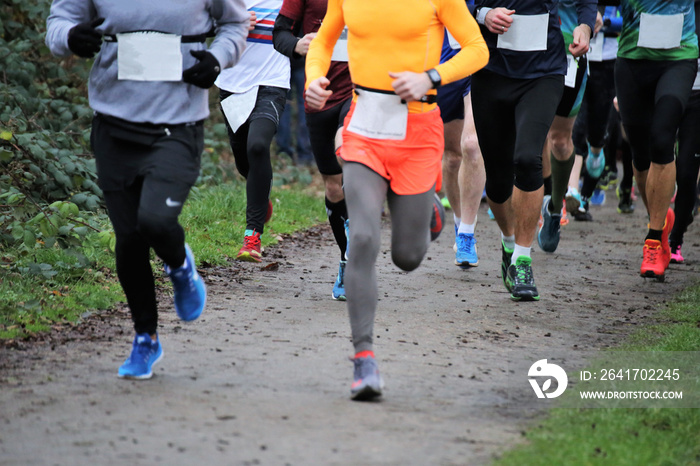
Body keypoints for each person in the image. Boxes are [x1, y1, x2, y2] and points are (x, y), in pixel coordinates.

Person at [46, 0, 248, 379]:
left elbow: (235, 25)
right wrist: (71, 36)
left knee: (155, 220)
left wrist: (218, 59)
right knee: (130, 238)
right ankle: (145, 338)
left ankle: (181, 266)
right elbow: (60, 22)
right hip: (114, 124)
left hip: (177, 123)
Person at [305, 0, 488, 400]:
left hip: (417, 131)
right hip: (364, 126)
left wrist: (432, 76)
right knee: (365, 238)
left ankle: (427, 210)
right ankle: (363, 358)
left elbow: (477, 47)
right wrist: (314, 78)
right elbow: (322, 43)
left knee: (407, 257)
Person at [471, 0, 595, 300]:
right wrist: (483, 13)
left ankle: (523, 259)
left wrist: (585, 25)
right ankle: (510, 243)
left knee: (527, 158)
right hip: (491, 72)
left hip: (544, 71)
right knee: (498, 182)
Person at [273, 0, 355, 300]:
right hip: (319, 95)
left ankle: (367, 220)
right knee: (334, 188)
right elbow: (279, 33)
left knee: (349, 151)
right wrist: (297, 45)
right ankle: (348, 258)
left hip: (361, 89)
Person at [613, 0, 698, 281]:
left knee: (662, 139)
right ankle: (661, 221)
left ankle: (652, 241)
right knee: (640, 156)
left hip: (679, 58)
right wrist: (589, 25)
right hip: (632, 61)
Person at [217, 0, 290, 263]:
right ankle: (260, 197)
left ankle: (252, 238)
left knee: (258, 146)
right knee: (244, 161)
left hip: (272, 81)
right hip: (232, 83)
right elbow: (196, 23)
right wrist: (230, 23)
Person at [537, 0, 599, 253]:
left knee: (560, 139)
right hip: (529, 48)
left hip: (569, 51)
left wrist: (588, 24)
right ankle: (537, 200)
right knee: (534, 132)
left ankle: (553, 207)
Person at [437, 27, 487, 269]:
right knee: (453, 157)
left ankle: (467, 233)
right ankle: (459, 223)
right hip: (446, 65)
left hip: (480, 65)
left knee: (472, 145)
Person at [669, 1, 700, 265]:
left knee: (687, 171)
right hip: (664, 86)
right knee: (656, 154)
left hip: (697, 98)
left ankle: (675, 238)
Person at [276, 55, 314, 165]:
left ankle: (284, 154)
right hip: (301, 60)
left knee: (283, 104)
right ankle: (304, 154)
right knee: (305, 104)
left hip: (282, 59)